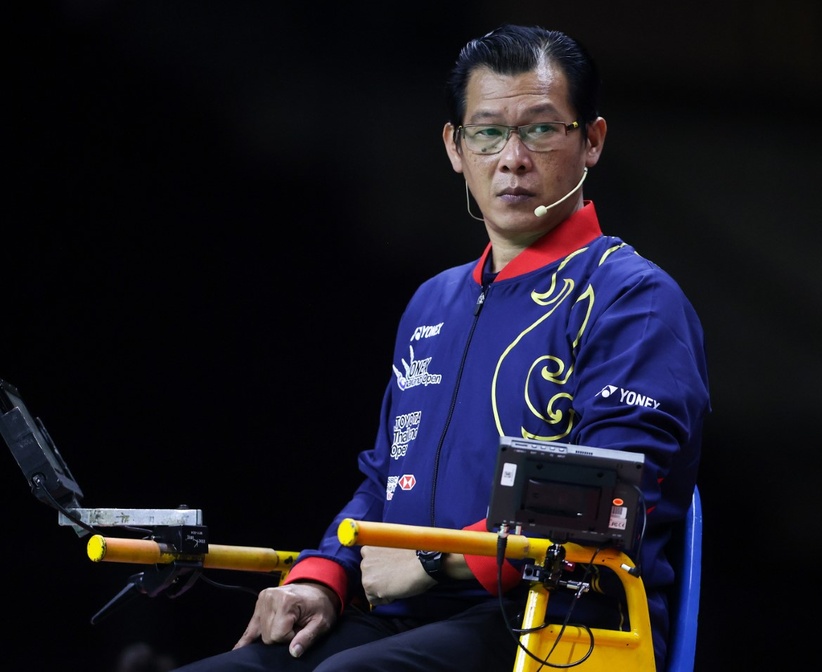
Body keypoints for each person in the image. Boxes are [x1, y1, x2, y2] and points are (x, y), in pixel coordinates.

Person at [172, 23, 710, 672]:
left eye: (541, 129)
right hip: (408, 618)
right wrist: (322, 576)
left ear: (591, 141)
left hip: (563, 625)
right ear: (456, 147)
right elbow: (384, 480)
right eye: (488, 132)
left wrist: (431, 560)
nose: (512, 158)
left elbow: (600, 505)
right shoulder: (434, 302)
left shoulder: (633, 298)